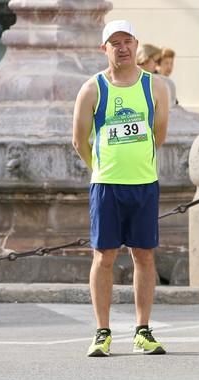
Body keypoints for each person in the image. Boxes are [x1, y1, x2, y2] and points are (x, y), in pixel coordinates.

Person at [72, 20, 170, 357]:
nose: (122, 47)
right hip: (106, 185)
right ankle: (102, 332)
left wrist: (135, 161)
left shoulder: (155, 86)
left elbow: (159, 133)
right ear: (105, 49)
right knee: (104, 256)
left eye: (127, 41)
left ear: (136, 44)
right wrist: (100, 167)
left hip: (144, 183)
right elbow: (78, 139)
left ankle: (143, 330)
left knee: (144, 256)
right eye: (115, 42)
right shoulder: (93, 88)